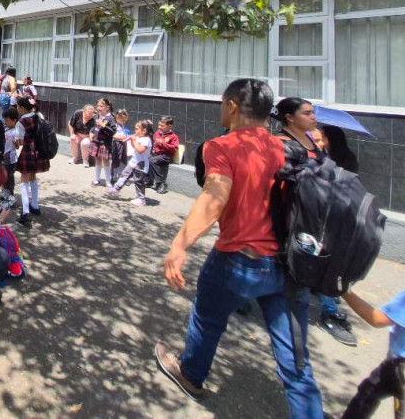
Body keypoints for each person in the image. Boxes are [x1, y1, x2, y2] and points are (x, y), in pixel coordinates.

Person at [156, 79, 324, 418]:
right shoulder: (289, 148)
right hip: (289, 266)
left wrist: (179, 245)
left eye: (222, 104)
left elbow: (214, 199)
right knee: (295, 359)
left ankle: (190, 375)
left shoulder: (223, 146)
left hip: (238, 261)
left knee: (207, 321)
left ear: (232, 106)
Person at [274, 97, 358, 347]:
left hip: (320, 225)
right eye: (307, 113)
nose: (313, 118)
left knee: (320, 268)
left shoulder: (322, 152)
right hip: (295, 225)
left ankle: (328, 313)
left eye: (314, 113)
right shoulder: (283, 146)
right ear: (290, 117)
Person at [340, 287, 404, 418]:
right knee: (366, 395)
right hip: (392, 365)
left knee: (364, 399)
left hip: (398, 367)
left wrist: (344, 291)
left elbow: (376, 319)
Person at [15, 96, 48, 228]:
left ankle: (25, 212)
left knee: (24, 180)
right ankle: (35, 205)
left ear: (22, 108)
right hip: (40, 151)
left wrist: (14, 142)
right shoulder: (39, 115)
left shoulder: (21, 122)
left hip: (28, 152)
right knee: (33, 177)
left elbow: (20, 142)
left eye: (17, 106)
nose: (16, 109)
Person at [105, 119, 153, 207]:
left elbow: (140, 150)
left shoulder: (146, 140)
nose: (135, 131)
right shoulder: (139, 137)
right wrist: (131, 140)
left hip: (141, 164)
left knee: (138, 181)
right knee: (124, 174)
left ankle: (141, 199)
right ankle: (116, 189)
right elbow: (134, 147)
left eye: (137, 129)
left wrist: (134, 140)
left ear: (144, 131)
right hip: (133, 161)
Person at [89, 98, 117, 188]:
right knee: (97, 160)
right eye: (98, 106)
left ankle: (108, 181)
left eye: (101, 106)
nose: (99, 108)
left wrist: (104, 125)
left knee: (106, 161)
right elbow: (94, 127)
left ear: (107, 107)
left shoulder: (111, 118)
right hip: (97, 141)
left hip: (105, 142)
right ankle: (96, 179)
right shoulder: (96, 116)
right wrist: (91, 132)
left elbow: (113, 131)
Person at [149, 116, 180, 195]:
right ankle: (148, 181)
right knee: (147, 158)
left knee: (152, 160)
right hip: (157, 155)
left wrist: (163, 143)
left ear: (169, 126)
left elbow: (174, 149)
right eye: (159, 125)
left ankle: (161, 183)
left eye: (162, 126)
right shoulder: (158, 133)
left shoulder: (173, 136)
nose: (160, 127)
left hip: (167, 156)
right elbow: (153, 139)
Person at [2, 108, 21, 195]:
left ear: (14, 121)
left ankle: (10, 196)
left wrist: (16, 144)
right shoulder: (6, 129)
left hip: (10, 158)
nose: (5, 122)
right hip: (4, 157)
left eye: (7, 120)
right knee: (4, 176)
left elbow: (17, 147)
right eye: (4, 120)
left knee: (9, 178)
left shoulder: (15, 132)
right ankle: (5, 193)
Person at [110, 109, 131, 180]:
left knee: (123, 159)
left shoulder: (122, 125)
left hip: (123, 143)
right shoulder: (114, 125)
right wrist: (119, 137)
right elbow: (111, 135)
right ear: (117, 118)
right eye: (122, 120)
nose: (123, 121)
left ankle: (122, 176)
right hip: (116, 143)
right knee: (116, 159)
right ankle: (114, 176)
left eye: (125, 120)